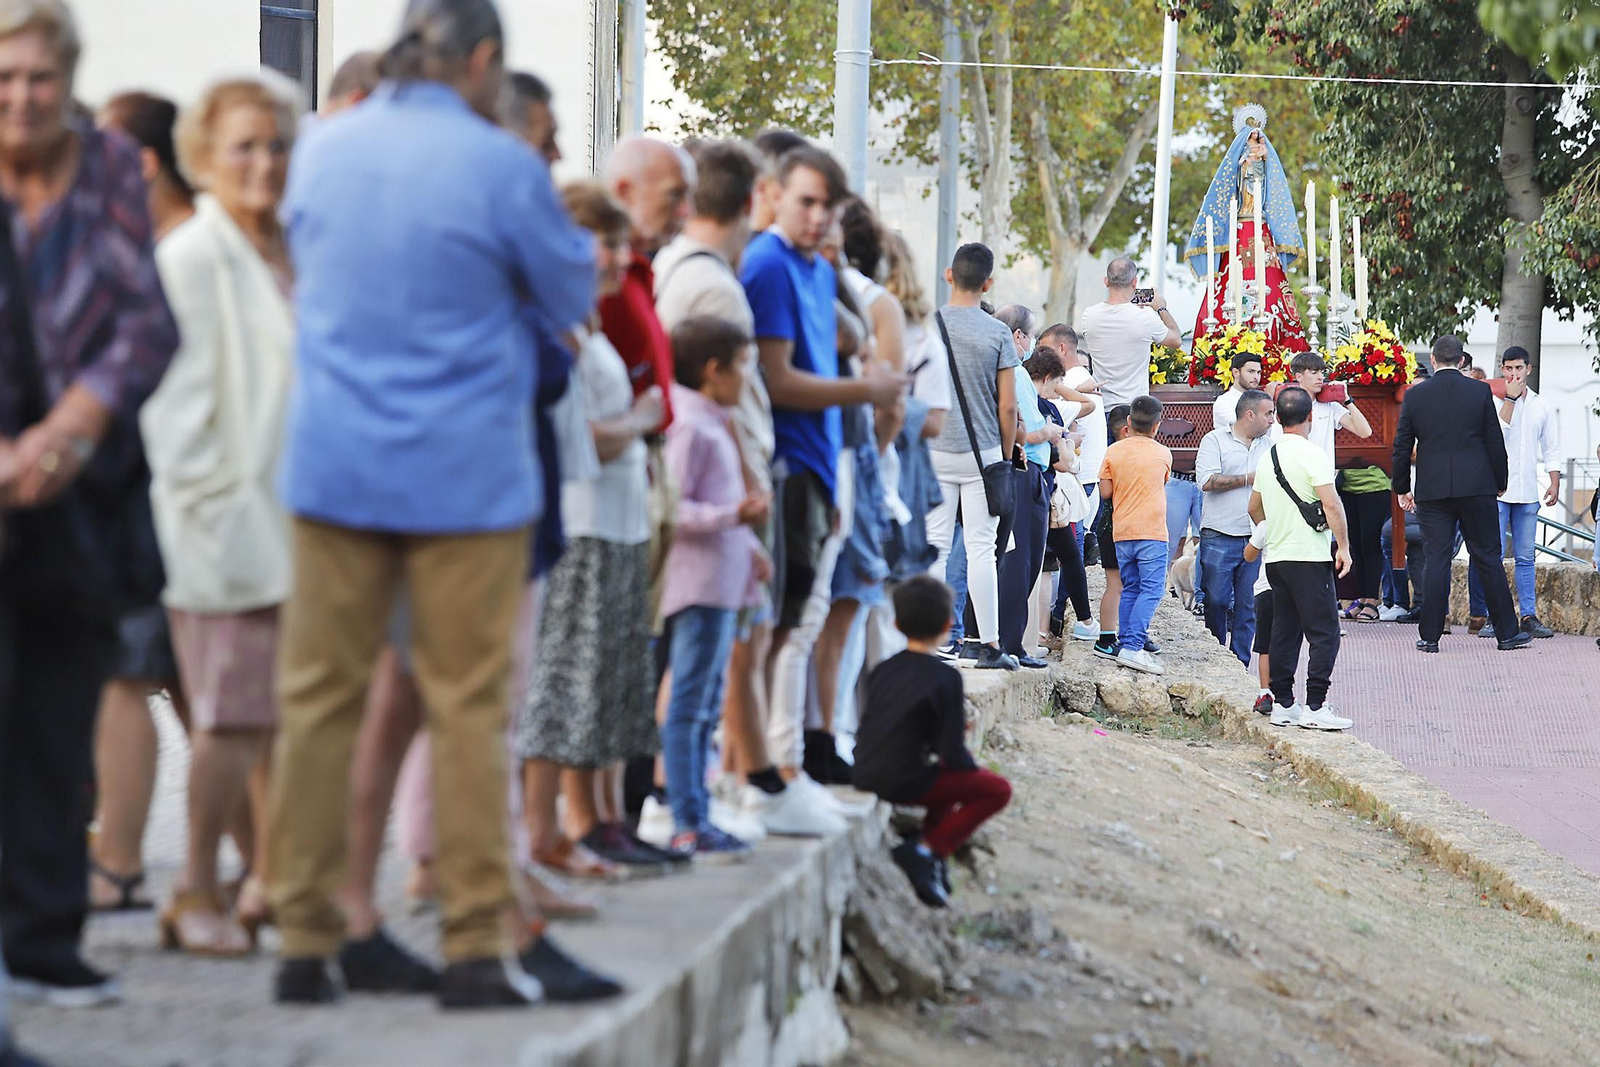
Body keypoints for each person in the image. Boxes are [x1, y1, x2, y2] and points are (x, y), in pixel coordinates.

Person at [267, 0, 598, 1009]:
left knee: (319, 703)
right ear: (483, 59)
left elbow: (302, 264)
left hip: (335, 465)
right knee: (467, 710)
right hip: (466, 475)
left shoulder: (321, 147)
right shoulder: (500, 164)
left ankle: (303, 937)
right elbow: (570, 294)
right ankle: (472, 946)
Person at [0, 0, 179, 1006]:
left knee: (59, 716)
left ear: (67, 78)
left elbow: (146, 323)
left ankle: (42, 938)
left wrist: (68, 429)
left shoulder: (109, 166)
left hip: (84, 487)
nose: (22, 98)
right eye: (4, 78)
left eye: (39, 76)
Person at [140, 73, 299, 958]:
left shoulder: (285, 249)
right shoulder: (193, 256)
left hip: (293, 521)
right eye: (243, 146)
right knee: (230, 719)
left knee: (273, 720)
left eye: (276, 144)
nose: (264, 163)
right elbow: (173, 415)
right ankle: (194, 885)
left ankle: (269, 877)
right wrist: (217, 514)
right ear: (202, 157)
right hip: (225, 526)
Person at [651, 140, 837, 837]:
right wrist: (742, 500)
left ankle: (708, 792)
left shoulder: (704, 272)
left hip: (734, 513)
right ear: (759, 194)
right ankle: (682, 799)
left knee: (723, 659)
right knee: (708, 667)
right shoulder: (717, 284)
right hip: (723, 518)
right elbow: (719, 414)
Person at [744, 145, 903, 808]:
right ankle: (765, 773)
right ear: (774, 195)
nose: (815, 217)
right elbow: (778, 380)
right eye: (805, 202)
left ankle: (777, 771)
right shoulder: (768, 264)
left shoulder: (813, 269)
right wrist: (867, 390)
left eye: (827, 207)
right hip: (782, 465)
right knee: (773, 631)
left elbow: (840, 349)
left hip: (818, 467)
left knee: (791, 627)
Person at [86, 91, 196, 916]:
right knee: (201, 695)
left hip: (162, 494)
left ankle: (119, 859)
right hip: (162, 494)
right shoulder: (169, 245)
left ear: (143, 162)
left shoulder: (177, 252)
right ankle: (269, 858)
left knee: (130, 676)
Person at [657, 316, 772, 858]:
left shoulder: (714, 421)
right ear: (712, 370)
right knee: (690, 705)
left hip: (722, 584)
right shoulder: (691, 426)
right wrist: (734, 517)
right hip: (698, 587)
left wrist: (749, 546)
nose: (747, 378)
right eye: (742, 366)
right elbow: (673, 510)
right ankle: (687, 820)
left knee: (704, 704)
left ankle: (697, 814)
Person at [854, 576, 1011, 909]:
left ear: (896, 624)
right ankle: (927, 850)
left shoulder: (882, 668)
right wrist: (970, 762)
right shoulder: (946, 677)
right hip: (904, 780)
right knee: (997, 790)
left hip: (864, 771)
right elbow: (951, 754)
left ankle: (931, 852)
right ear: (947, 626)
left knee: (947, 775)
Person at [1392, 335, 1531, 654]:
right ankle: (1507, 633)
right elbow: (1494, 440)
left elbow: (1402, 445)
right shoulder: (1479, 391)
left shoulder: (1415, 395)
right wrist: (1500, 480)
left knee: (1436, 559)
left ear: (1433, 360)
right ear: (1462, 361)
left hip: (1433, 488)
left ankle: (1429, 636)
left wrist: (1402, 487)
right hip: (1477, 486)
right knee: (1487, 557)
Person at [925, 243, 1020, 671]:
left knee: (935, 544)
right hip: (983, 455)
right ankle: (988, 643)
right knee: (981, 547)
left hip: (935, 448)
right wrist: (1004, 456)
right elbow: (1007, 407)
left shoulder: (928, 326)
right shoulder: (997, 332)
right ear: (988, 284)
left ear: (949, 275)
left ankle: (929, 638)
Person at [1247, 387, 1354, 729]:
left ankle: (1284, 703)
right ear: (1310, 417)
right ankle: (1316, 706)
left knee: (1285, 631)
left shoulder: (1268, 457)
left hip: (1276, 558)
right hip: (1308, 556)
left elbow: (1253, 507)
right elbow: (1331, 504)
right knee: (1325, 632)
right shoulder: (1313, 454)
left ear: (1277, 418)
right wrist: (1343, 546)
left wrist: (1275, 528)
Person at [1182, 104, 1310, 355]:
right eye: (1251, 142)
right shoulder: (1240, 162)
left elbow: (1269, 183)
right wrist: (1246, 164)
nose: (1255, 146)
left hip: (1260, 227)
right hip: (1239, 225)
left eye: (1258, 141)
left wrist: (1261, 161)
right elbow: (1233, 180)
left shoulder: (1264, 158)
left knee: (1270, 290)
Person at [1469, 346, 1558, 640]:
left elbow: (1551, 447)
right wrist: (1509, 397)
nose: (1514, 374)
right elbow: (1498, 432)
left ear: (1528, 369)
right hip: (1497, 491)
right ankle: (1494, 616)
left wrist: (1554, 481)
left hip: (1528, 490)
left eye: (1519, 368)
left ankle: (1528, 615)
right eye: (1509, 369)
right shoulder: (1493, 401)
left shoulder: (1541, 405)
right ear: (1502, 370)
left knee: (1526, 556)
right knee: (1491, 555)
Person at [993, 305, 1055, 669]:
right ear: (1018, 336)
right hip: (1024, 468)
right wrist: (1050, 431)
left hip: (1013, 468)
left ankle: (1007, 639)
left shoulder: (1000, 367)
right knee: (1021, 562)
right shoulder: (1014, 371)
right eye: (1030, 335)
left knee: (1014, 559)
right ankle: (1011, 643)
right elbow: (1027, 431)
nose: (1031, 343)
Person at [1195, 389, 1274, 665]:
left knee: (1248, 606)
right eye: (1268, 414)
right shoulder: (1214, 440)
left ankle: (1240, 665)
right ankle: (1217, 659)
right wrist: (1248, 479)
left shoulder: (1270, 445)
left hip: (1256, 535)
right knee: (1215, 601)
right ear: (1249, 414)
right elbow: (1206, 481)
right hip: (1219, 533)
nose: (1272, 420)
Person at [1098, 396, 1172, 675]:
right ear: (1157, 426)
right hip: (1152, 531)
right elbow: (1162, 481)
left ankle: (1126, 644)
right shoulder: (1163, 453)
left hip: (1122, 531)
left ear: (1129, 422)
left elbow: (1106, 492)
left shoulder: (1113, 451)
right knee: (1151, 589)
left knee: (1129, 587)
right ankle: (1133, 645)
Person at [1077, 256, 1181, 408]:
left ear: (1106, 281)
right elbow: (1176, 340)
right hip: (1135, 408)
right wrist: (1161, 308)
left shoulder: (1089, 315)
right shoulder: (1146, 317)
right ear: (1134, 282)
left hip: (1102, 406)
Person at [1279, 352, 1372, 460]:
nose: (1320, 377)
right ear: (1299, 376)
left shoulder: (1330, 405)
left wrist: (1347, 400)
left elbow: (1365, 432)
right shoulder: (1286, 405)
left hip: (1323, 470)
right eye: (1314, 372)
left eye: (1322, 372)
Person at [1335, 460, 1392, 624]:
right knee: (1356, 544)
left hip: (1375, 486)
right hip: (1348, 486)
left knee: (1370, 543)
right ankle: (1361, 598)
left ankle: (1372, 601)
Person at [1211, 352, 1263, 435]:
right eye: (1251, 371)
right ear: (1236, 372)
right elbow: (1244, 426)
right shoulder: (1223, 402)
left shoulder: (1261, 400)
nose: (1256, 377)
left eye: (1258, 372)